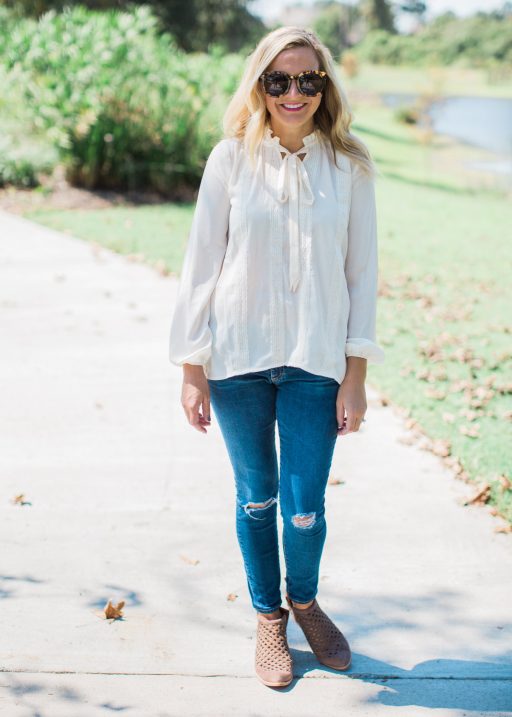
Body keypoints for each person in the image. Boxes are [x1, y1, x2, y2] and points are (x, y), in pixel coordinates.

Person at [168, 25, 385, 688]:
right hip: (237, 361)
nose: (294, 93)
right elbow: (201, 264)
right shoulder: (230, 159)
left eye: (308, 80)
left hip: (316, 364)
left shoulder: (350, 166)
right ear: (260, 84)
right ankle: (269, 617)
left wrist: (356, 377)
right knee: (256, 498)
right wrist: (191, 364)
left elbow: (361, 275)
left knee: (304, 506)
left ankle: (305, 599)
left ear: (325, 87)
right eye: (279, 80)